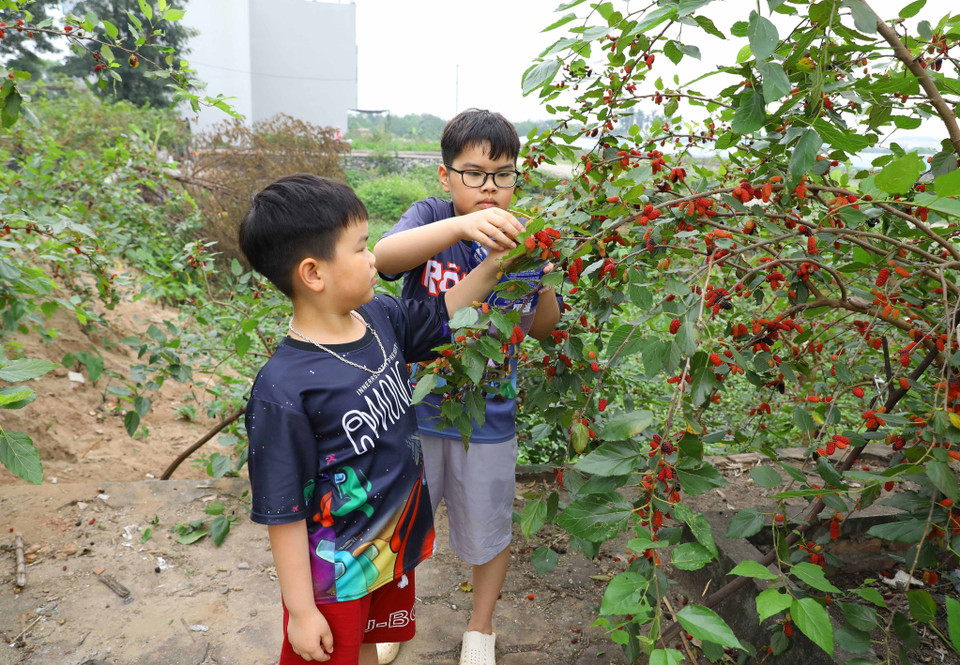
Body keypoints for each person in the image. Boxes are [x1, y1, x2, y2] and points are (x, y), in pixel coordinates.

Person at [238, 174, 522, 665]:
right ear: (313, 273)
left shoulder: (378, 318)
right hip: (339, 575)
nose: (374, 259)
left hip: (390, 552)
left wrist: (497, 266)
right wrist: (301, 611)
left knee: (368, 650)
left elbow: (443, 311)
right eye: (361, 248)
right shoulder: (285, 390)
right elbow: (282, 511)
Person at [372, 109, 562, 665]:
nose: (489, 188)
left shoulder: (521, 236)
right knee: (399, 524)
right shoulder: (432, 218)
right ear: (445, 176)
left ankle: (481, 629)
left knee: (488, 524)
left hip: (489, 416)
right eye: (474, 173)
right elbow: (382, 260)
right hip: (413, 410)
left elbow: (546, 330)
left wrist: (542, 273)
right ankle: (391, 617)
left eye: (503, 174)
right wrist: (460, 228)